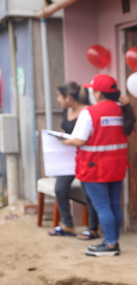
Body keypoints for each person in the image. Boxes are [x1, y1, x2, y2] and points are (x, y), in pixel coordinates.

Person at [62, 74, 136, 257]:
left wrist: (64, 141)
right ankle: (112, 241)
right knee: (113, 205)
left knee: (103, 206)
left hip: (95, 168)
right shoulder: (122, 110)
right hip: (117, 166)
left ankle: (110, 245)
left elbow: (79, 140)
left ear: (98, 93)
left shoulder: (90, 112)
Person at [47, 82, 100, 240]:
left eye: (59, 96)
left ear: (68, 97)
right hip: (68, 159)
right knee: (60, 189)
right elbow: (68, 130)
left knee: (88, 193)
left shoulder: (88, 111)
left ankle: (92, 229)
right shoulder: (66, 111)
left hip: (85, 158)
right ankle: (68, 225)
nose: (58, 99)